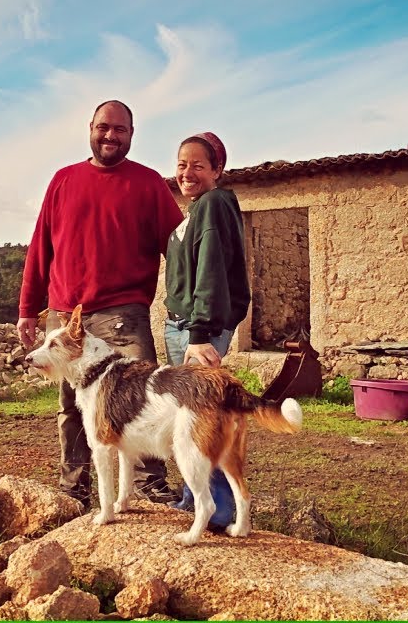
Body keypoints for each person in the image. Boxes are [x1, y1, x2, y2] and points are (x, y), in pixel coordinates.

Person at [17, 99, 185, 508]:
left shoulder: (147, 184)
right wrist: (27, 309)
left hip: (122, 313)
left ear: (131, 135)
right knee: (72, 406)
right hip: (63, 311)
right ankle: (74, 485)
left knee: (143, 397)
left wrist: (192, 305)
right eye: (104, 127)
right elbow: (41, 248)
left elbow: (179, 249)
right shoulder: (63, 181)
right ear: (90, 127)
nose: (111, 136)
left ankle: (148, 483)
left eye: (121, 130)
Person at [162, 131, 251, 528]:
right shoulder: (196, 211)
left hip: (197, 330)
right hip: (184, 326)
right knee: (193, 419)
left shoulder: (214, 203)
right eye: (182, 164)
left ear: (218, 170)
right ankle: (194, 500)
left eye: (198, 165)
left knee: (203, 420)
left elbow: (211, 269)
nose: (187, 172)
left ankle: (218, 510)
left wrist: (198, 334)